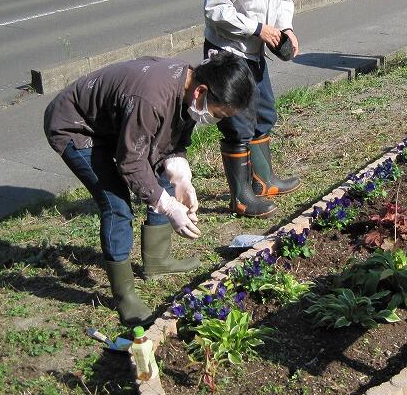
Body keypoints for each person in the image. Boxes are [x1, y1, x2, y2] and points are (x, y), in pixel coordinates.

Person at [44, 53, 255, 325]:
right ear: (202, 91)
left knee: (160, 172)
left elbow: (170, 138)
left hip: (116, 123)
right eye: (217, 115)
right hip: (78, 126)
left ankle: (157, 260)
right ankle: (125, 297)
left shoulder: (189, 87)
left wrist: (180, 174)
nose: (213, 120)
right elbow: (130, 162)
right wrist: (166, 206)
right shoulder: (153, 98)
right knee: (116, 206)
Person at [203, 0, 305, 218]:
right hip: (229, 51)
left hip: (257, 50)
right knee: (238, 124)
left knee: (263, 113)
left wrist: (285, 28)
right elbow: (216, 9)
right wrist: (257, 28)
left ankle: (264, 181)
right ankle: (242, 197)